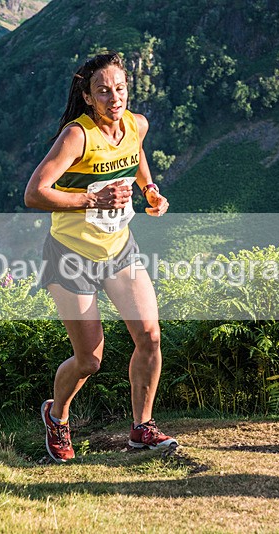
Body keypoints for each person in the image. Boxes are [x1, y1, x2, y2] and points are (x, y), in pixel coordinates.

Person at [24, 52, 177, 463]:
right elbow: (34, 193)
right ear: (89, 98)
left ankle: (141, 429)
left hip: (119, 250)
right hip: (70, 255)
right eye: (103, 91)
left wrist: (149, 190)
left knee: (150, 336)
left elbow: (137, 155)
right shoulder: (77, 135)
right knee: (90, 360)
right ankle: (56, 415)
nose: (114, 98)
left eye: (120, 88)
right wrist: (93, 197)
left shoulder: (135, 125)